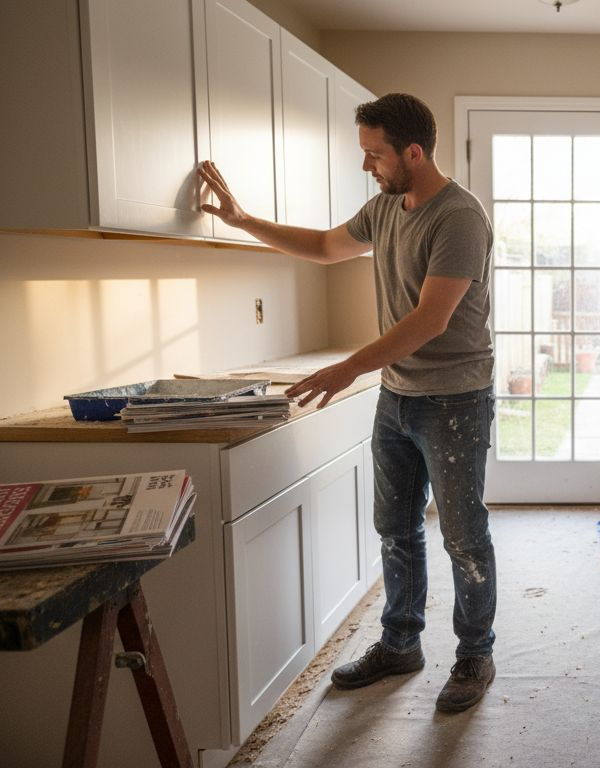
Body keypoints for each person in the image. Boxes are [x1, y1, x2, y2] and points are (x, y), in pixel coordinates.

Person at [197, 93, 497, 713]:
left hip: (454, 400)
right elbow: (326, 247)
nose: (368, 166)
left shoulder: (459, 217)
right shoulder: (385, 207)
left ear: (413, 153)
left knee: (464, 537)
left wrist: (347, 369)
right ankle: (400, 643)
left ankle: (474, 656)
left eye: (375, 154)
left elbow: (431, 320)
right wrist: (244, 220)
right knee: (394, 528)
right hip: (398, 395)